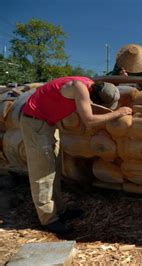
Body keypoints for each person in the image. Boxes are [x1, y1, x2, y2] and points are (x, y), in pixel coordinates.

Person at [20, 76, 132, 234]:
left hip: (48, 123)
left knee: (55, 169)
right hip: (35, 123)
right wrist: (118, 113)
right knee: (43, 172)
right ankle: (48, 219)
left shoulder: (89, 85)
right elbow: (89, 121)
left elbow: (89, 106)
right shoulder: (80, 88)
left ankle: (59, 211)